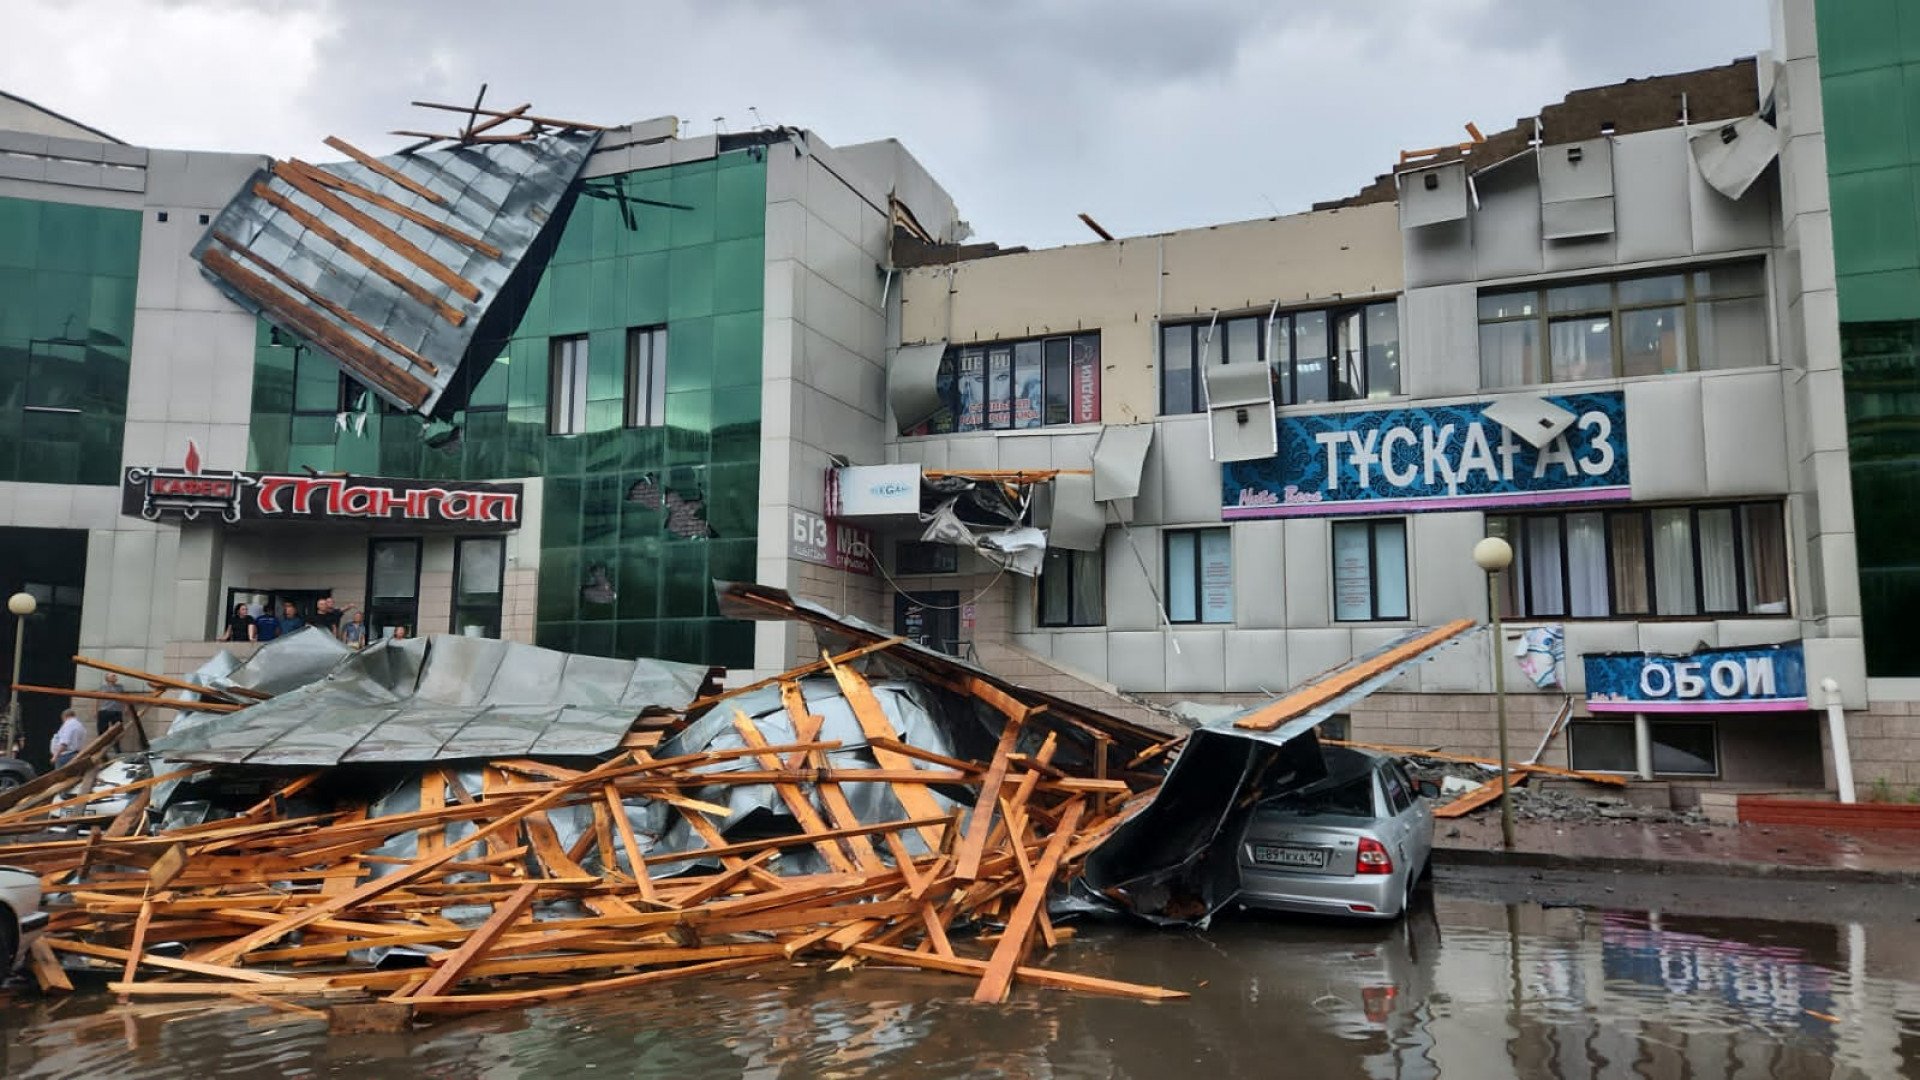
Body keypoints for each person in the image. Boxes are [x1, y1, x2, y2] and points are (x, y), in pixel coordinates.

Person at [96, 673, 125, 739]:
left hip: (116, 711)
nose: (115, 677)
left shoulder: (120, 687)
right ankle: (101, 746)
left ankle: (117, 747)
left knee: (118, 731)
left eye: (115, 676)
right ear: (107, 679)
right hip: (104, 710)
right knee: (102, 730)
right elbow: (98, 699)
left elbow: (124, 698)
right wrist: (96, 710)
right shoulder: (102, 687)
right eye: (113, 676)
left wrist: (125, 708)